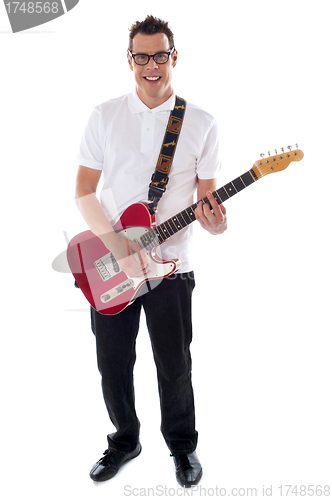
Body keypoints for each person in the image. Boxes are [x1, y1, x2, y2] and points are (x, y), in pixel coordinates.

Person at [75, 15, 227, 488]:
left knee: (174, 363)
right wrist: (118, 244)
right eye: (142, 56)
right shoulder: (104, 115)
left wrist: (216, 223)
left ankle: (182, 447)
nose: (151, 65)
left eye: (160, 55)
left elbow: (209, 204)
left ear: (173, 58)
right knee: (112, 362)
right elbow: (83, 193)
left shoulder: (201, 122)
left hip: (173, 267)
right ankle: (125, 441)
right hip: (113, 264)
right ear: (130, 61)